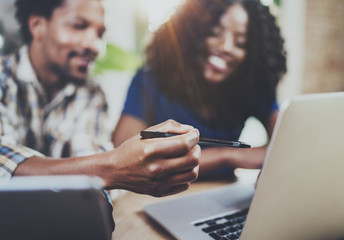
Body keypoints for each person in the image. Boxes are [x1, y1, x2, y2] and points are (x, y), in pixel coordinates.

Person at [0, 0, 201, 198]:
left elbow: (91, 159)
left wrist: (109, 172)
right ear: (37, 26)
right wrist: (115, 166)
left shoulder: (91, 94)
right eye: (79, 26)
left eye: (99, 34)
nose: (94, 46)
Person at [113, 0, 287, 178]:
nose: (226, 47)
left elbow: (288, 145)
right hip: (158, 198)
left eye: (240, 43)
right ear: (190, 34)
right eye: (214, 33)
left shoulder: (252, 87)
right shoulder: (150, 80)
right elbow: (124, 158)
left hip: (223, 195)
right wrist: (226, 156)